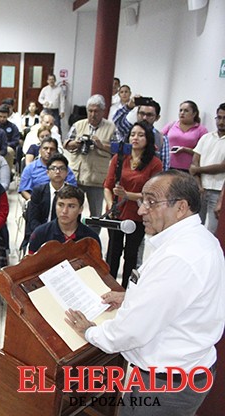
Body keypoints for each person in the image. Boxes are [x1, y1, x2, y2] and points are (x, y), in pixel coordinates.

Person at [65, 171, 225, 416]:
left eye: (151, 202)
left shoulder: (179, 257)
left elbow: (131, 331)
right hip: (183, 372)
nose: (141, 210)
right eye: (142, 201)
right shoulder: (200, 239)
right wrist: (131, 298)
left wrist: (90, 331)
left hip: (165, 384)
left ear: (181, 207)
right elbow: (179, 299)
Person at [104, 121, 163, 287]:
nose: (135, 138)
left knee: (131, 254)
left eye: (141, 135)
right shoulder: (119, 158)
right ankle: (109, 286)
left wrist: (127, 195)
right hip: (116, 213)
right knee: (112, 252)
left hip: (138, 213)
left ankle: (126, 290)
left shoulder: (154, 163)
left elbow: (153, 193)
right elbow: (107, 186)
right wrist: (111, 204)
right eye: (132, 134)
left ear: (148, 139)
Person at [64, 94, 115, 226]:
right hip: (78, 176)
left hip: (97, 179)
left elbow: (117, 150)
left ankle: (93, 237)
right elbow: (66, 144)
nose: (93, 114)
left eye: (96, 111)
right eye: (90, 111)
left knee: (96, 215)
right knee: (72, 210)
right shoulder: (78, 125)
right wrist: (76, 143)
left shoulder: (111, 128)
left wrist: (101, 145)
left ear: (103, 111)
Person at [28, 185, 100, 254]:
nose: (64, 211)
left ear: (80, 209)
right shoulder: (40, 234)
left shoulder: (91, 239)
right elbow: (30, 261)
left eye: (71, 206)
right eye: (60, 205)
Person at [189, 103, 225, 234]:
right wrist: (199, 185)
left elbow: (222, 167)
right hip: (201, 189)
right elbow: (194, 162)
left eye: (224, 118)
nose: (221, 122)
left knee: (212, 231)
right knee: (195, 227)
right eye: (219, 118)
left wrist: (198, 170)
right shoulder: (206, 137)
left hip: (218, 191)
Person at [24, 153, 72, 249]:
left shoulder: (72, 194)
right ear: (47, 172)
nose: (57, 172)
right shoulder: (38, 191)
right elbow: (33, 220)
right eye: (53, 168)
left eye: (61, 168)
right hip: (39, 235)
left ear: (67, 172)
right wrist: (44, 235)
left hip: (64, 238)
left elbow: (73, 222)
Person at [113, 95, 169, 170]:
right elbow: (117, 120)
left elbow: (164, 166)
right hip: (125, 174)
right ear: (137, 114)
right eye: (142, 113)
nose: (144, 118)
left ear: (157, 118)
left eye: (149, 115)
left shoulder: (162, 139)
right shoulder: (129, 130)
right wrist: (128, 106)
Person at [162, 100, 208, 172]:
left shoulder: (201, 130)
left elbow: (203, 152)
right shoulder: (171, 125)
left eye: (186, 111)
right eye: (181, 110)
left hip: (188, 168)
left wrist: (185, 149)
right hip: (168, 165)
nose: (182, 113)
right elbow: (160, 140)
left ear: (194, 113)